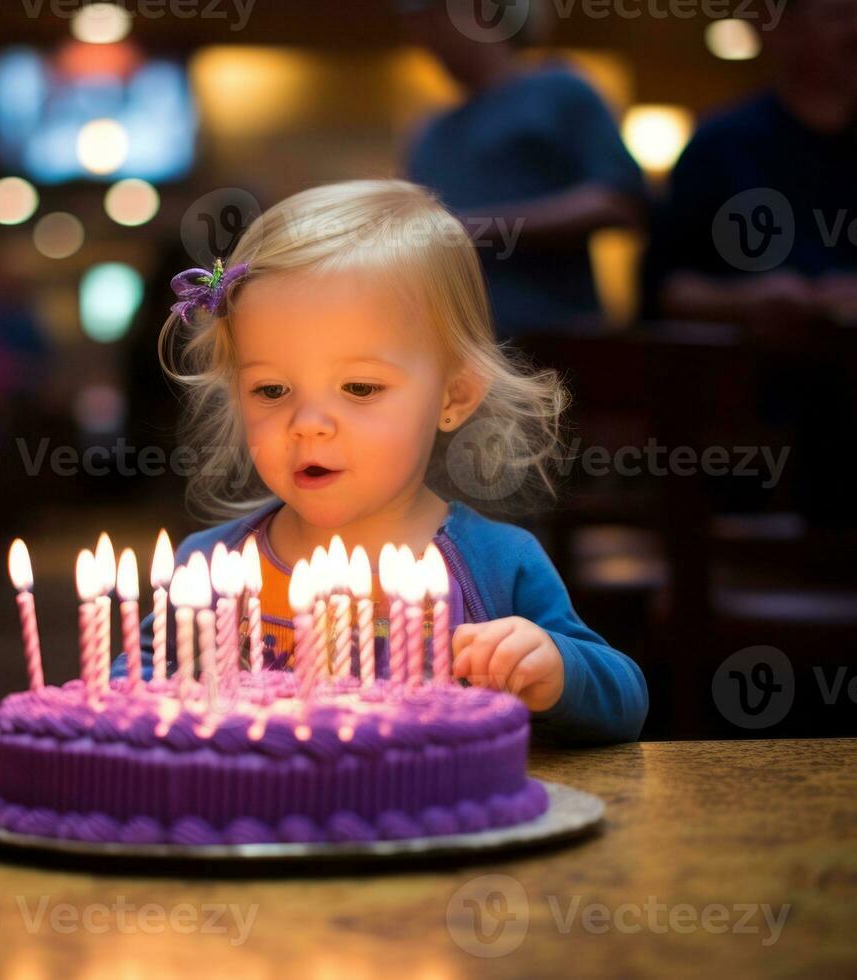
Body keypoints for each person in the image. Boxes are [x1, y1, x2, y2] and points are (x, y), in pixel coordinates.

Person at [111, 180, 648, 746]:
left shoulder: (497, 562)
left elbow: (625, 701)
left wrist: (554, 669)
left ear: (454, 396)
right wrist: (143, 702)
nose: (308, 422)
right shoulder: (211, 568)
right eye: (271, 390)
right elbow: (129, 681)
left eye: (360, 387)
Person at [398, 0, 647, 338]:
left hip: (555, 340)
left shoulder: (559, 93)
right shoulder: (430, 132)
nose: (424, 40)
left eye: (433, 21)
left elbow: (619, 202)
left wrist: (476, 229)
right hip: (460, 346)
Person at [642, 0, 857, 330]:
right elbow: (664, 289)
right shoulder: (720, 145)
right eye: (839, 15)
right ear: (781, 29)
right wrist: (745, 300)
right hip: (750, 371)